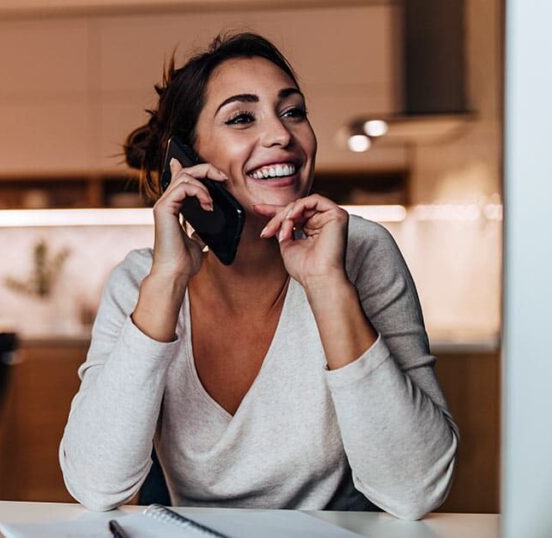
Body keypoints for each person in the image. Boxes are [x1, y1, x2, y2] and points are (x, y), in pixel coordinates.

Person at [58, 32, 457, 521]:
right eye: (242, 118)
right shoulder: (143, 280)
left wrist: (328, 286)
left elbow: (416, 489)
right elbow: (95, 485)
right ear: (184, 160)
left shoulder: (360, 252)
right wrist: (167, 280)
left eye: (292, 111)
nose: (282, 135)